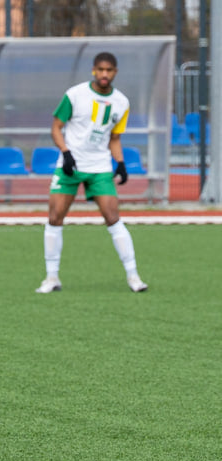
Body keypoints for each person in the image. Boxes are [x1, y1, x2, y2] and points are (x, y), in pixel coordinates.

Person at [36, 52, 148, 294]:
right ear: (93, 71)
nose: (104, 74)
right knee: (55, 218)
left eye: (109, 70)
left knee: (113, 217)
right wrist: (65, 153)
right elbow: (56, 127)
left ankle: (133, 276)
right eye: (100, 69)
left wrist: (120, 163)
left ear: (115, 72)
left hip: (99, 168)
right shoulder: (75, 95)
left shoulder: (122, 102)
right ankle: (51, 277)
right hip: (71, 165)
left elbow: (115, 138)